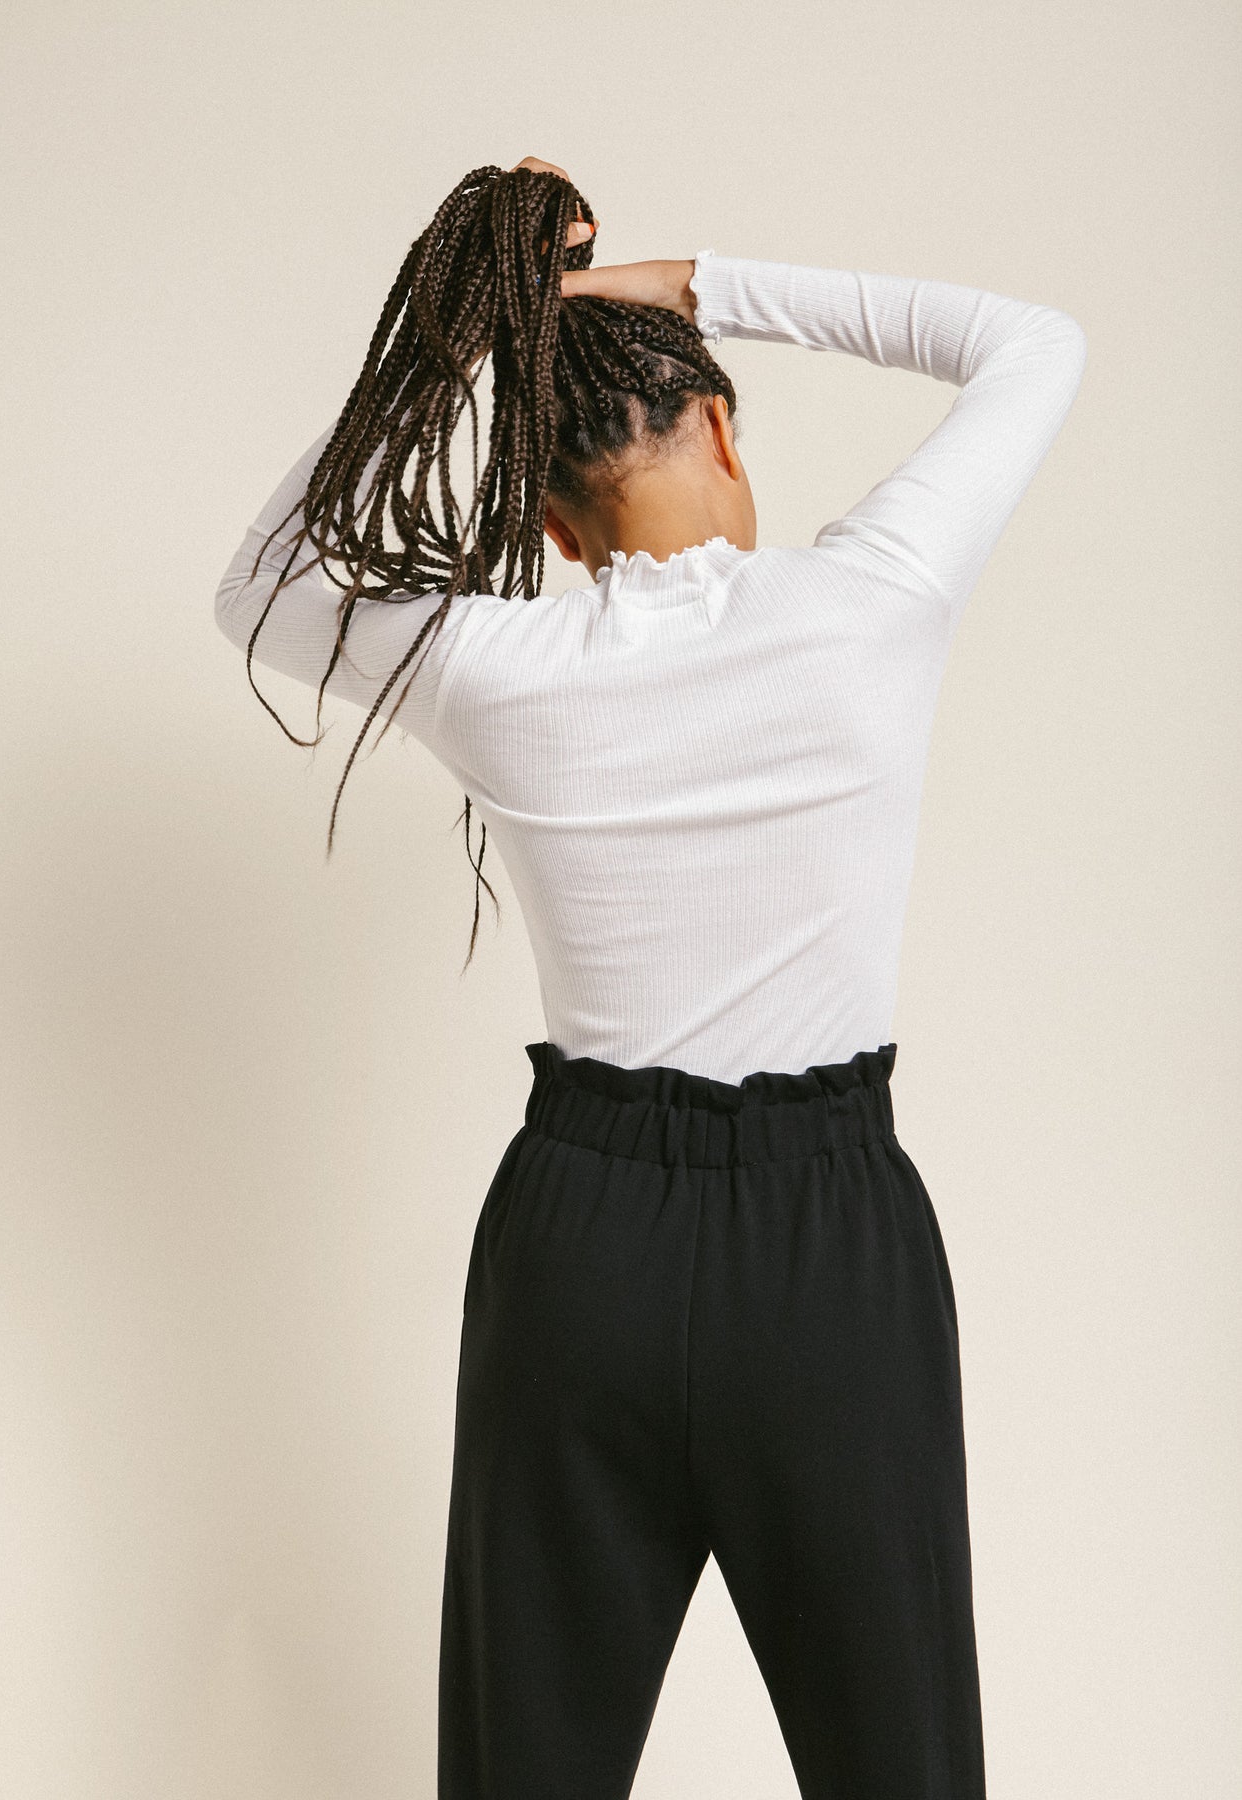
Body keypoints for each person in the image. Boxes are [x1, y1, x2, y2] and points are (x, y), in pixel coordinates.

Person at [214, 154, 1087, 1799]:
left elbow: (259, 588)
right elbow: (1030, 342)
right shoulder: (869, 603)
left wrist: (458, 330)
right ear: (725, 431)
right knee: (899, 1762)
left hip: (577, 1244)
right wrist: (676, 285)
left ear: (546, 522)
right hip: (828, 1248)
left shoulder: (498, 667)